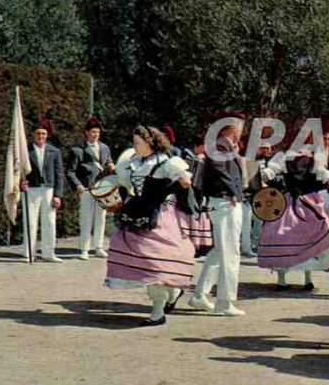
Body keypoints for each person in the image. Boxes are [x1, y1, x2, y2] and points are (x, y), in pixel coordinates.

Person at [104, 126, 196, 326]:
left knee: (157, 263)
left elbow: (187, 181)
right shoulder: (133, 162)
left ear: (150, 142)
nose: (135, 145)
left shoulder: (166, 161)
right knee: (146, 266)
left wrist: (171, 185)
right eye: (134, 141)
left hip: (161, 216)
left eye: (138, 141)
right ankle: (170, 297)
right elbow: (124, 184)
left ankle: (158, 311)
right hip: (138, 212)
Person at [257, 136, 329, 290]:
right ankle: (283, 279)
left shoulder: (311, 159)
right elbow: (270, 171)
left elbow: (323, 172)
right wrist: (267, 174)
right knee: (282, 237)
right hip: (291, 201)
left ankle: (306, 279)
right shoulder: (284, 158)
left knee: (309, 238)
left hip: (306, 202)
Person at [188, 113, 247, 316]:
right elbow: (221, 171)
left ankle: (199, 295)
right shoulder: (221, 145)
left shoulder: (226, 146)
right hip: (224, 202)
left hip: (223, 201)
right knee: (231, 251)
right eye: (241, 128)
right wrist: (233, 192)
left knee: (219, 252)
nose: (242, 132)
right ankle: (225, 302)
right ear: (232, 128)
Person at [66, 117, 115, 260]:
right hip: (86, 188)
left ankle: (98, 247)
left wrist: (111, 166)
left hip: (102, 187)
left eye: (97, 132)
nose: (95, 135)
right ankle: (84, 249)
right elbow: (70, 171)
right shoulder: (77, 150)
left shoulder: (105, 148)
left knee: (101, 218)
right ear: (86, 133)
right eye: (93, 132)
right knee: (86, 219)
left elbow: (108, 162)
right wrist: (78, 185)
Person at [20, 119, 65, 262]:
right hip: (31, 189)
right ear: (33, 135)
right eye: (38, 133)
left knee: (50, 221)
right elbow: (18, 170)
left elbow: (59, 174)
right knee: (31, 221)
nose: (41, 136)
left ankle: (48, 253)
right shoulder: (25, 150)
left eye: (43, 134)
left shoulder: (54, 151)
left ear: (47, 135)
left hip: (48, 190)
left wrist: (58, 195)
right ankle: (28, 253)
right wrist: (21, 183)